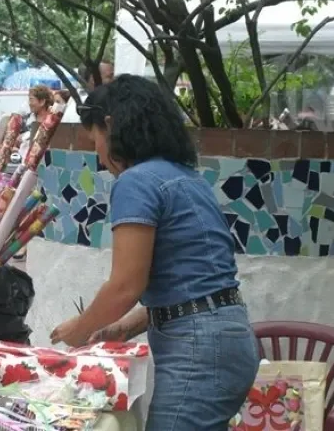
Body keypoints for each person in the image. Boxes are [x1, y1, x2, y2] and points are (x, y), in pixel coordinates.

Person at [51, 75, 260, 430]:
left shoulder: (136, 181)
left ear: (111, 125)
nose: (99, 156)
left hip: (198, 349)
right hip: (231, 338)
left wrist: (78, 330)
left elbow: (124, 286)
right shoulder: (187, 178)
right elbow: (196, 283)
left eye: (95, 140)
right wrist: (124, 326)